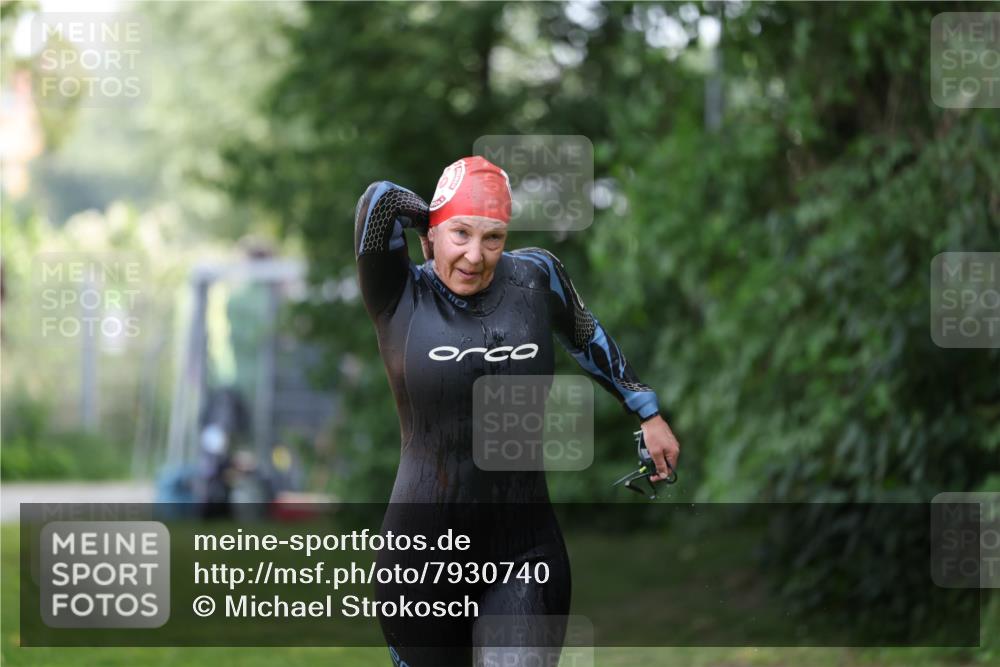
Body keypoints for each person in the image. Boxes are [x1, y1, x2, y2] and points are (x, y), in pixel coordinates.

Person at [354, 156, 681, 666]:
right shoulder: (398, 294)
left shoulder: (535, 276)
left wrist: (646, 410)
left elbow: (585, 334)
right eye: (460, 234)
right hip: (421, 558)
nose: (475, 255)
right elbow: (380, 199)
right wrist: (436, 218)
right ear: (430, 237)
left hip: (523, 550)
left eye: (493, 238)